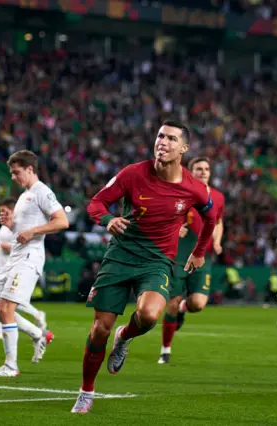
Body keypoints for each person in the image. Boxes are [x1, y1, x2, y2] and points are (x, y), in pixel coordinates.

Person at [71, 121, 217, 414]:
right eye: (160, 136)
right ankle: (86, 391)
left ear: (184, 149)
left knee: (149, 315)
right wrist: (107, 220)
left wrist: (200, 252)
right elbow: (96, 203)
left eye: (172, 138)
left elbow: (211, 218)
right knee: (100, 329)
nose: (163, 141)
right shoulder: (133, 173)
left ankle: (124, 336)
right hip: (120, 255)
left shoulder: (194, 188)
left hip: (157, 260)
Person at [0, 150, 68, 377]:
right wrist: (12, 225)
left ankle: (10, 366)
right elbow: (22, 231)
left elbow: (62, 221)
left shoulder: (42, 192)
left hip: (29, 259)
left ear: (30, 169)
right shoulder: (24, 196)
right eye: (12, 173)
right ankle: (36, 332)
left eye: (16, 172)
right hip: (14, 259)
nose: (13, 177)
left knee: (6, 308)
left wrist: (33, 231)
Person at [158, 157, 226, 364]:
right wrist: (174, 228)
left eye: (206, 169)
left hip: (202, 257)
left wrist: (217, 240)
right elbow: (164, 216)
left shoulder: (218, 196)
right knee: (171, 304)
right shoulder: (179, 191)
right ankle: (165, 351)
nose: (203, 172)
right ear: (191, 171)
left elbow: (219, 221)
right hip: (178, 257)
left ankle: (182, 310)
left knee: (197, 304)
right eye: (199, 169)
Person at [0, 197, 47, 341]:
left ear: (12, 210)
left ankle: (0, 331)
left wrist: (4, 247)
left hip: (8, 267)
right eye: (0, 211)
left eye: (4, 211)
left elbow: (19, 245)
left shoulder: (18, 226)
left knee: (0, 301)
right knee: (3, 301)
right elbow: (2, 243)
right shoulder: (6, 226)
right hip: (1, 265)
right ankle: (36, 317)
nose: (1, 214)